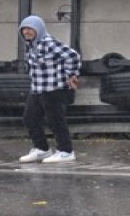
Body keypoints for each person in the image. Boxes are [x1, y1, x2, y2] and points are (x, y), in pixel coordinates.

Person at [16, 15, 81, 164]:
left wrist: (71, 75)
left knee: (56, 121)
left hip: (54, 88)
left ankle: (66, 151)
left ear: (38, 29)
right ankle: (42, 149)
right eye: (24, 29)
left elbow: (73, 55)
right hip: (38, 89)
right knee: (30, 118)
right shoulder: (31, 45)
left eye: (30, 29)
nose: (26, 32)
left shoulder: (48, 43)